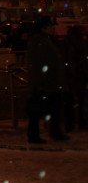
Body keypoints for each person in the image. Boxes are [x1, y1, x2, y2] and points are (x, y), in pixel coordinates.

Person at [26, 16, 69, 144]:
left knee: (49, 108)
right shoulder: (41, 42)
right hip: (48, 82)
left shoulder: (42, 40)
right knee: (45, 108)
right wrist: (39, 81)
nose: (52, 29)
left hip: (49, 81)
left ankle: (51, 132)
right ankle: (40, 134)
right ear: (44, 27)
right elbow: (38, 63)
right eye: (50, 26)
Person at [61, 25, 88, 132]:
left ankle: (69, 124)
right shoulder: (80, 44)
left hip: (69, 76)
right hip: (79, 75)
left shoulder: (66, 43)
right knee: (81, 100)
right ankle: (81, 122)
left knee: (69, 101)